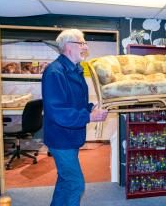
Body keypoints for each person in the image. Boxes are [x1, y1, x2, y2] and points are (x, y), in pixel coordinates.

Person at [42, 29, 108, 206]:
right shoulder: (55, 72)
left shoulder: (75, 69)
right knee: (75, 184)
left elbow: (74, 102)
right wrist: (90, 117)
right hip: (61, 138)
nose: (85, 47)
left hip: (70, 137)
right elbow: (58, 111)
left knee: (65, 180)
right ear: (69, 46)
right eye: (82, 43)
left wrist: (90, 108)